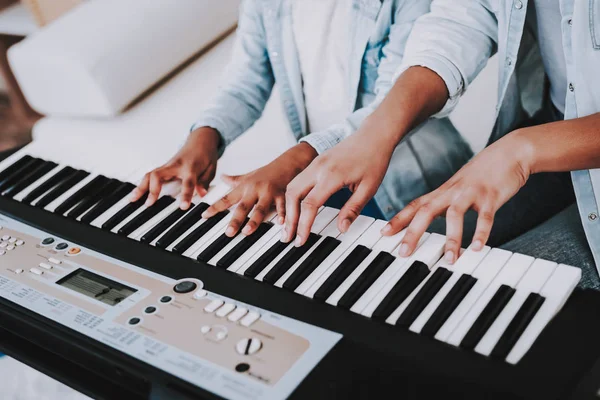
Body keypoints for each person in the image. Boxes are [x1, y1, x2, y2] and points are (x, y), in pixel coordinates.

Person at [284, 0, 600, 289]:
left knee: (473, 294)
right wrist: (376, 132)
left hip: (547, 148)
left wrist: (520, 151)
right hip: (549, 133)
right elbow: (466, 17)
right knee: (412, 267)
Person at [130, 0, 473, 238]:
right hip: (320, 174)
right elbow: (246, 81)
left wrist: (294, 159)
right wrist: (204, 137)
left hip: (413, 182)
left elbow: (395, 101)